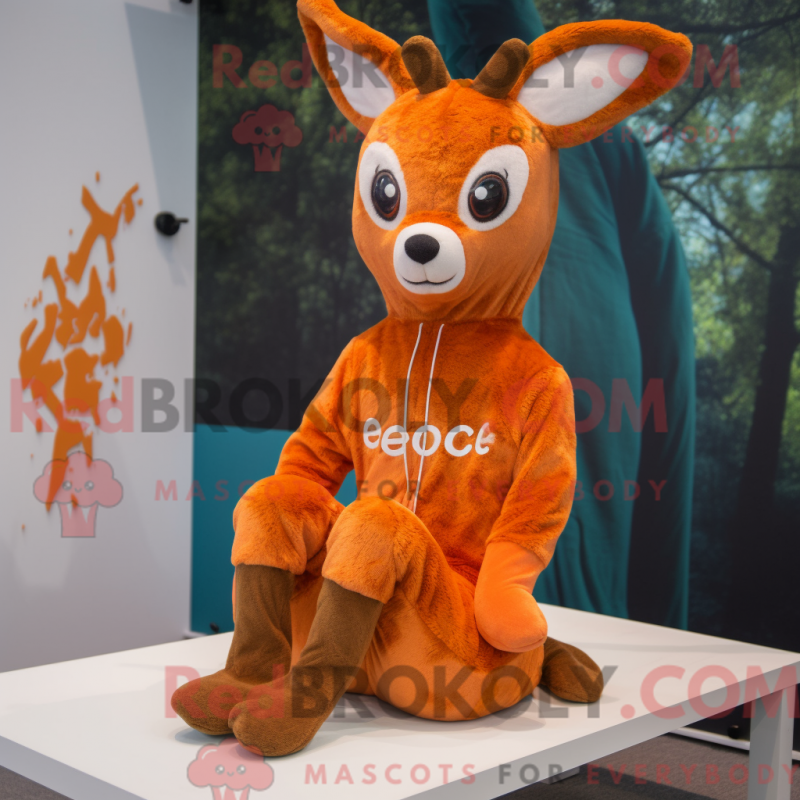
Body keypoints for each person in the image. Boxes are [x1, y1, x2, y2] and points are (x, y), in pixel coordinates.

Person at [428, 0, 696, 628]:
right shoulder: (603, 137)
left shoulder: (422, 133)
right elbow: (670, 332)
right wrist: (668, 621)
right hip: (595, 400)